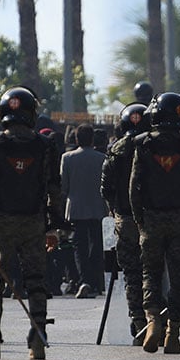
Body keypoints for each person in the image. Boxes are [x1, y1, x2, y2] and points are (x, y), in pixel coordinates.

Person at [0, 87, 65, 360]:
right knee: (36, 281)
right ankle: (38, 338)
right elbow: (54, 189)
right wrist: (53, 226)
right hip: (34, 222)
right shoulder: (45, 146)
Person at [129, 92, 180, 355]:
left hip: (151, 219)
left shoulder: (142, 144)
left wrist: (139, 219)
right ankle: (173, 334)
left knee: (150, 275)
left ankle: (153, 320)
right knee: (179, 279)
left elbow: (134, 187)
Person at [100, 102, 150, 342]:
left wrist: (114, 210)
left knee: (132, 274)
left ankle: (140, 322)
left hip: (125, 218)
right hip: (152, 217)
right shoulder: (154, 146)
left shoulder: (115, 150)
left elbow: (105, 188)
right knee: (154, 272)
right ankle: (157, 320)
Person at [61, 123, 106, 300]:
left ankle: (83, 280)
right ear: (92, 139)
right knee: (95, 246)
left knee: (79, 247)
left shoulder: (67, 158)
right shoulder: (102, 158)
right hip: (97, 207)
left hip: (76, 208)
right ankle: (95, 282)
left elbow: (64, 187)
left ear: (77, 139)